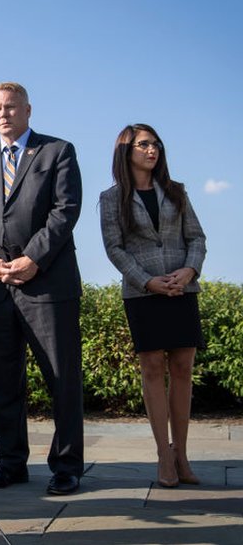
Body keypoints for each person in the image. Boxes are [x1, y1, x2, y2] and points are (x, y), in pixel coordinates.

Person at [0, 81, 85, 496]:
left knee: (60, 378)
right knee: (3, 380)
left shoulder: (57, 151)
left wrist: (34, 259)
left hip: (47, 284)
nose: (3, 114)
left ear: (28, 110)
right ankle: (10, 462)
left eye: (11, 107)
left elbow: (65, 210)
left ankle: (66, 466)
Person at [99, 124, 206, 487]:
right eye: (144, 144)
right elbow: (114, 248)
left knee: (182, 369)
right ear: (126, 151)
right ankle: (163, 454)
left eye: (156, 144)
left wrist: (189, 271)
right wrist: (147, 281)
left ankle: (182, 454)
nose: (152, 149)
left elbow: (196, 237)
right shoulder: (111, 199)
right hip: (143, 293)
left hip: (182, 289)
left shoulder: (177, 192)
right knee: (151, 369)